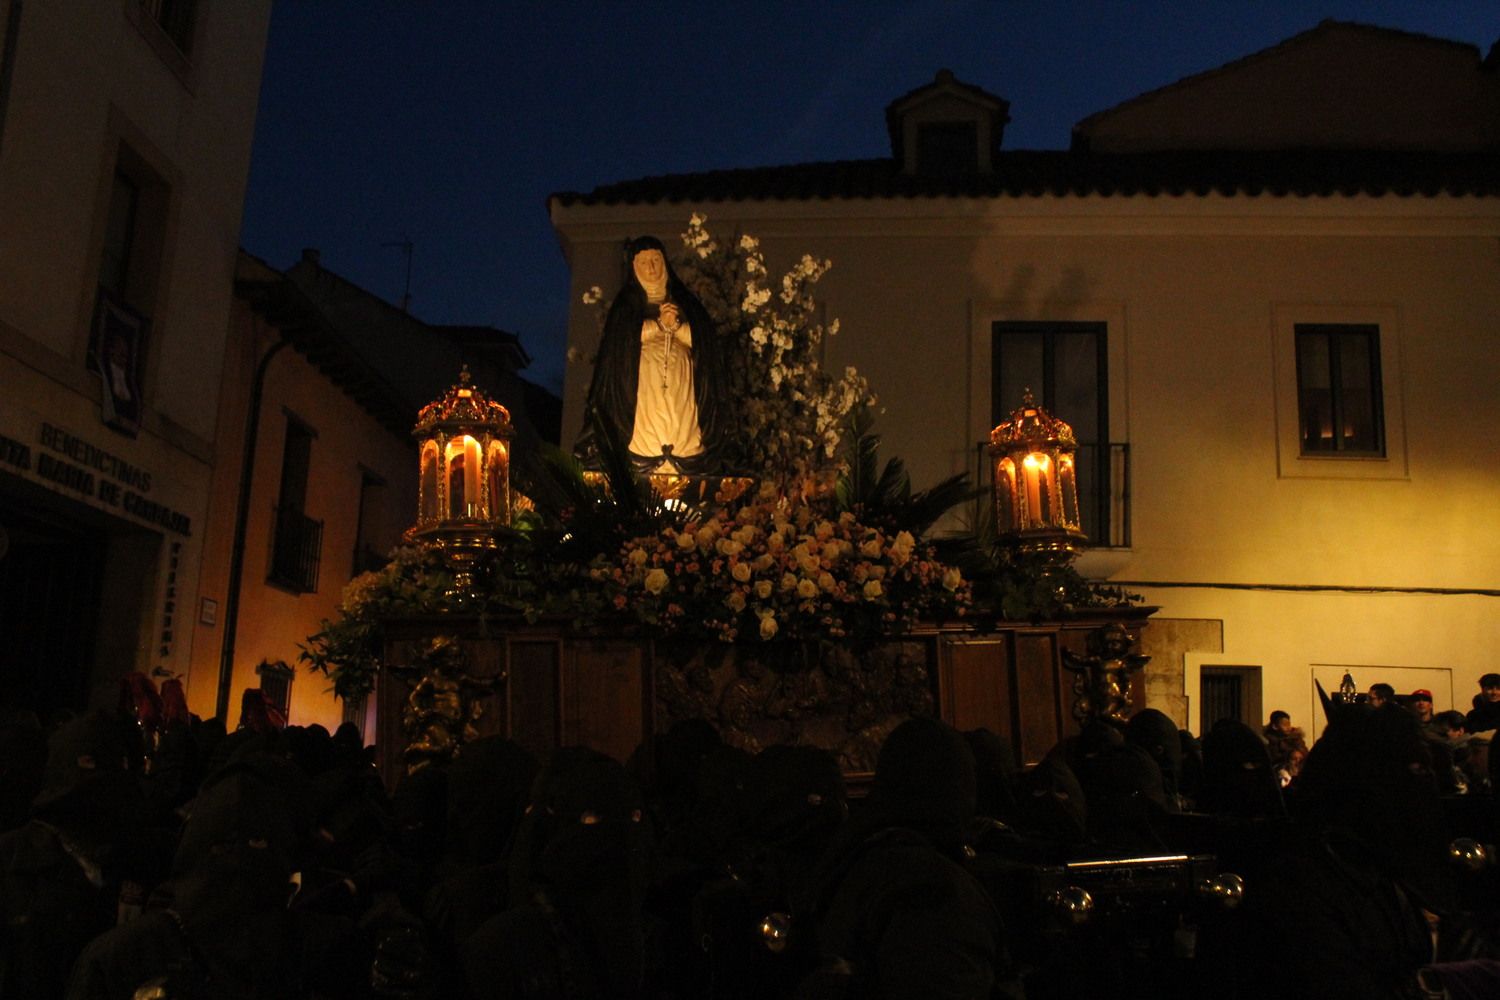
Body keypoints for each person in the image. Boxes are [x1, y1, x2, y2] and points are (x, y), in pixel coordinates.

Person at [578, 236, 730, 474]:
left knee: (681, 430)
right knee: (647, 433)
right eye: (643, 262)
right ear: (634, 267)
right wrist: (658, 324)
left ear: (665, 263)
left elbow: (705, 345)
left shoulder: (687, 305)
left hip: (682, 393)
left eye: (656, 260)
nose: (651, 268)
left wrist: (678, 327)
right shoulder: (626, 307)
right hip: (641, 395)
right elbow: (620, 344)